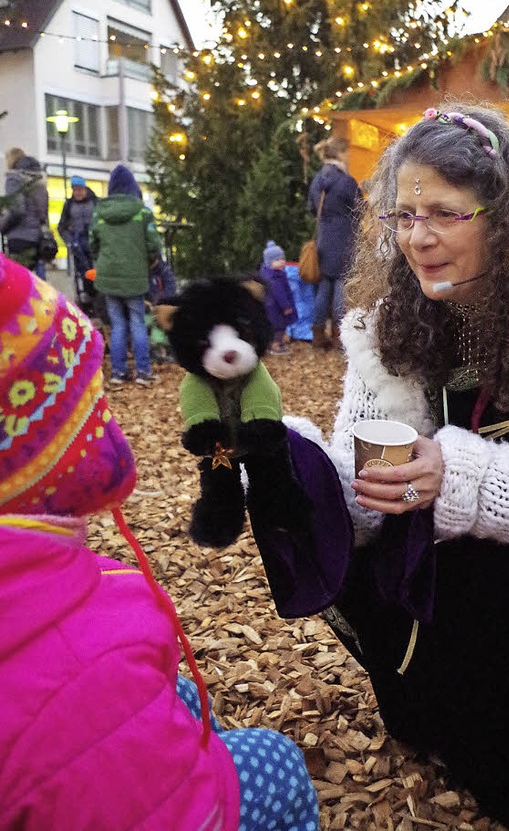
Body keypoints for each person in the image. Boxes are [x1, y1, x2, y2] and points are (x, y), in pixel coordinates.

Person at [254, 104, 509, 830]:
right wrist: (293, 472)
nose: (417, 238)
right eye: (401, 215)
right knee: (373, 569)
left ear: (506, 216)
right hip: (454, 521)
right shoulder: (394, 315)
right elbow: (368, 468)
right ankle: (450, 727)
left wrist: (462, 479)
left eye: (444, 213)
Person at [0, 252, 320, 830]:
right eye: (92, 401)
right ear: (36, 444)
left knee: (181, 696)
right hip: (141, 783)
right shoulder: (84, 661)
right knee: (280, 763)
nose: (113, 427)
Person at [90, 164, 160, 386]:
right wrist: (150, 260)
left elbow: (92, 243)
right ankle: (142, 372)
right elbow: (153, 244)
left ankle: (118, 373)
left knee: (118, 325)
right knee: (137, 322)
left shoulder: (99, 213)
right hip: (135, 276)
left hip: (108, 276)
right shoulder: (143, 212)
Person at [307, 137, 360, 350]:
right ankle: (339, 336)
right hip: (344, 240)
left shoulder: (317, 180)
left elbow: (312, 208)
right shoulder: (346, 181)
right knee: (340, 286)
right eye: (346, 152)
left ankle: (318, 335)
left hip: (323, 239)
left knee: (324, 287)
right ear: (339, 154)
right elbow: (360, 208)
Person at [0, 147, 49, 272]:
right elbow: (43, 214)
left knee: (16, 281)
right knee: (31, 280)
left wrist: (3, 226)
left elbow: (17, 210)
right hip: (37, 239)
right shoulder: (38, 180)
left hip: (19, 237)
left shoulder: (14, 179)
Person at [58, 173, 99, 314]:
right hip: (78, 246)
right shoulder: (68, 205)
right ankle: (83, 300)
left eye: (80, 189)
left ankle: (97, 298)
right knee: (81, 274)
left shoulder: (95, 202)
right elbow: (61, 226)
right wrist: (69, 241)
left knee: (96, 272)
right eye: (75, 190)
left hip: (95, 245)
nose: (77, 193)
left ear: (85, 189)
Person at [260, 239, 298, 353]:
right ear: (269, 262)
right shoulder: (274, 278)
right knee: (279, 327)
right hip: (276, 308)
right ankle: (276, 345)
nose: (281, 262)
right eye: (277, 260)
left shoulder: (274, 274)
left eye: (282, 259)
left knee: (275, 326)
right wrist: (286, 306)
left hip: (273, 307)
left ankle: (272, 344)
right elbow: (279, 294)